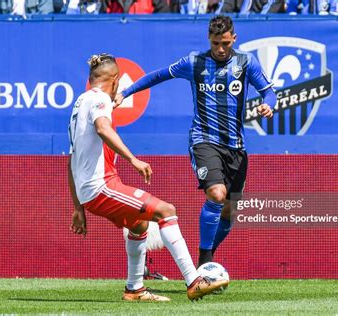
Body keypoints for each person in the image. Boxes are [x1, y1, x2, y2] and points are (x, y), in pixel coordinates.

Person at [115, 15, 276, 267]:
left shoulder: (246, 62)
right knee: (216, 193)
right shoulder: (194, 62)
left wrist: (268, 105)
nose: (221, 49)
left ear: (234, 38)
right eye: (215, 44)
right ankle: (205, 261)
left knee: (230, 210)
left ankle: (206, 255)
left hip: (236, 146)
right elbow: (158, 76)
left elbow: (269, 92)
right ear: (208, 40)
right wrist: (126, 91)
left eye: (225, 43)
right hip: (204, 139)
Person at [68, 53, 228, 302]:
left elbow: (72, 160)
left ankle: (135, 289)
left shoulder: (80, 104)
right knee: (166, 210)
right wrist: (133, 159)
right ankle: (194, 281)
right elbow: (102, 128)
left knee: (139, 224)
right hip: (101, 187)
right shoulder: (100, 100)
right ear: (116, 79)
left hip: (90, 190)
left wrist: (78, 206)